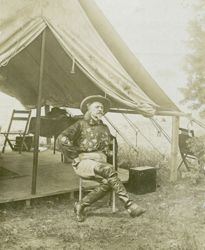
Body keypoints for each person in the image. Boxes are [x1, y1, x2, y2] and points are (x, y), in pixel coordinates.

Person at [57, 95, 146, 222]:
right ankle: (129, 205)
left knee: (110, 183)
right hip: (84, 163)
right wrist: (74, 156)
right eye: (97, 107)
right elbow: (62, 138)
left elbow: (112, 148)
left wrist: (111, 159)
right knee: (110, 174)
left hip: (102, 165)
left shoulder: (105, 128)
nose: (100, 109)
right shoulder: (80, 124)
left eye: (102, 107)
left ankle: (80, 205)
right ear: (88, 108)